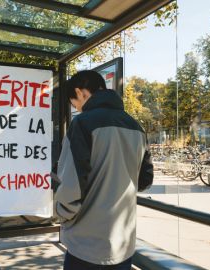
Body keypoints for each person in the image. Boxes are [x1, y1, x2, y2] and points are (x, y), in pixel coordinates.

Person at [53, 70, 153, 270]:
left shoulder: (82, 124)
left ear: (80, 92)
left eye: (75, 104)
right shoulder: (136, 127)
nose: (77, 109)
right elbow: (145, 181)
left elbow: (72, 185)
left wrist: (60, 214)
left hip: (86, 245)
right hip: (123, 244)